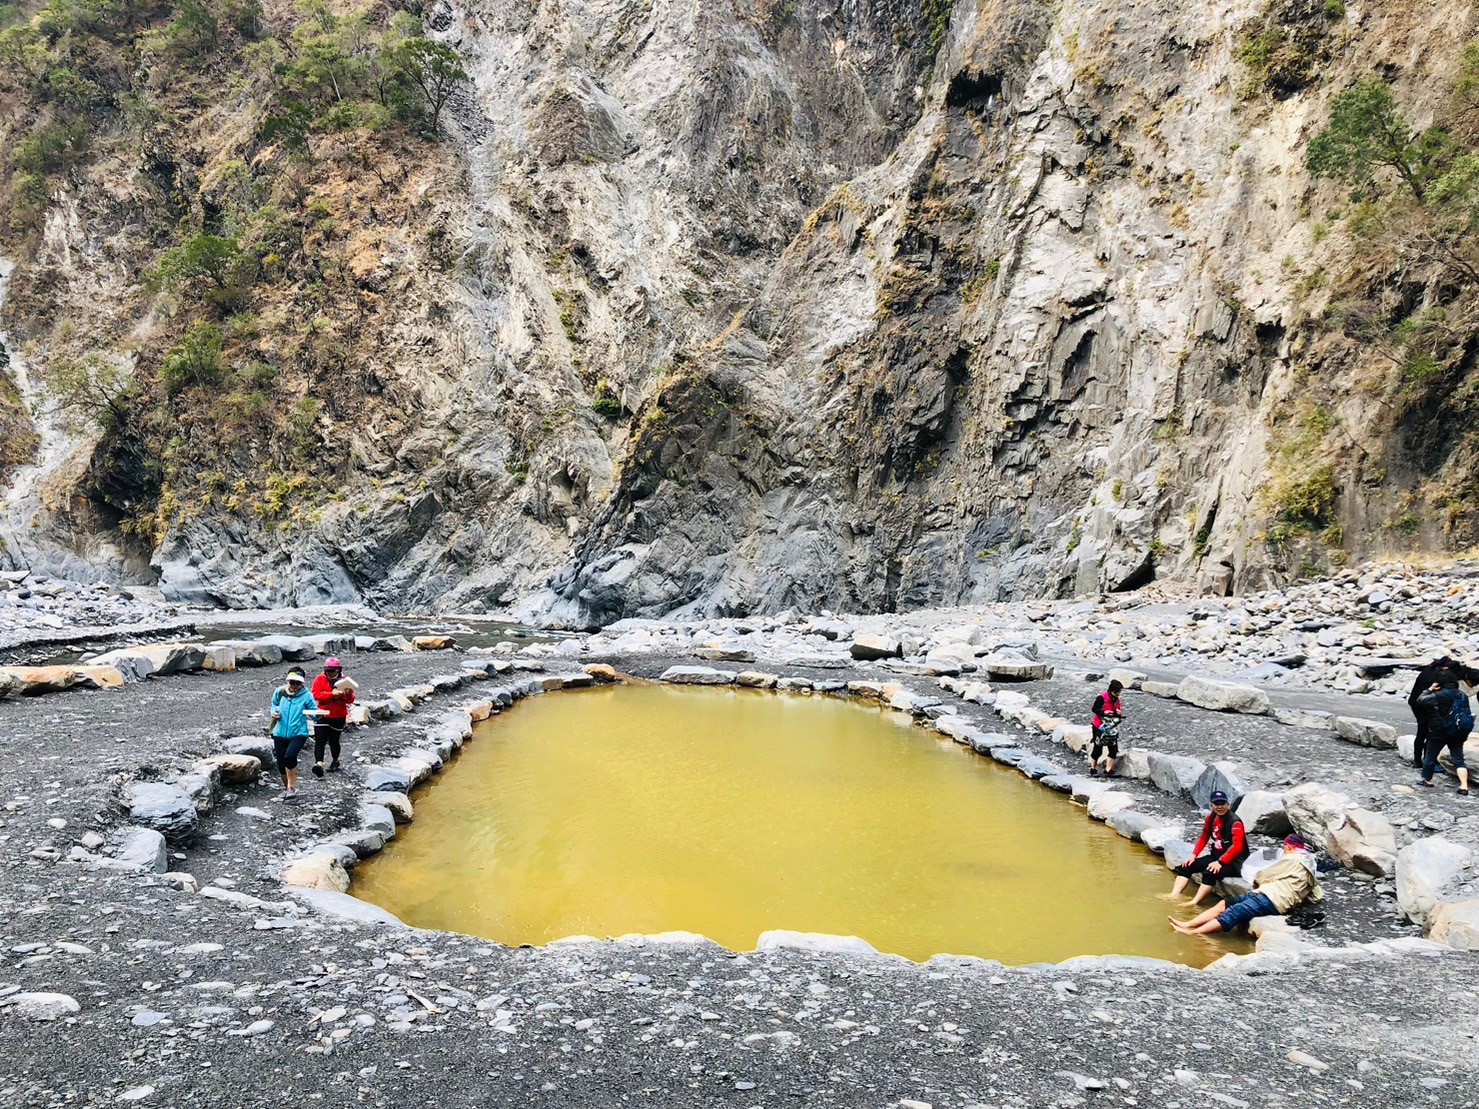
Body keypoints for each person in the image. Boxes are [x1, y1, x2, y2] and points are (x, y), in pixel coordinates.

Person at [1170, 834, 1323, 935]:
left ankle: (1192, 932)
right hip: (1267, 895)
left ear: (1289, 847)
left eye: (1284, 848)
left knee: (1234, 911)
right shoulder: (1309, 863)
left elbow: (1266, 874)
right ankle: (1188, 924)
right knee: (1224, 904)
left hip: (1272, 898)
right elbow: (1316, 895)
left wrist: (1256, 881)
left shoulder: (1292, 859)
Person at [1168, 790, 1248, 905]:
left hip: (1234, 862)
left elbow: (1237, 846)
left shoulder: (1235, 822)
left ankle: (1194, 902)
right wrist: (1194, 855)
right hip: (1216, 856)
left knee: (1209, 872)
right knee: (1186, 866)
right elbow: (1204, 837)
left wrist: (1220, 862)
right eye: (1217, 804)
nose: (1220, 807)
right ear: (1212, 805)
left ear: (1228, 805)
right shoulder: (1211, 818)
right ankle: (1174, 895)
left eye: (1223, 804)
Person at [1409, 657, 1479, 770]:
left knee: (1423, 732)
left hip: (1418, 702)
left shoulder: (1432, 670)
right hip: (1424, 704)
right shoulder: (1443, 675)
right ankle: (1428, 762)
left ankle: (1420, 761)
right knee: (1430, 733)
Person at [1416, 672, 1474, 796]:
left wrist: (1429, 689)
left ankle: (1427, 780)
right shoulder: (1463, 695)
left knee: (1431, 756)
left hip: (1440, 731)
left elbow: (1420, 700)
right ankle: (1464, 785)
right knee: (1458, 759)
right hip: (1458, 731)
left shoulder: (1438, 695)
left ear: (1440, 684)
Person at [269, 668, 318, 801]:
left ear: (302, 683)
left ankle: (291, 787)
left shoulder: (306, 695)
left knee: (290, 757)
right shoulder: (280, 692)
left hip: (298, 732)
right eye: (292, 682)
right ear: (288, 681)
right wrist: (274, 712)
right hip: (279, 732)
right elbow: (274, 705)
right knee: (280, 763)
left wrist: (318, 716)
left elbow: (314, 712)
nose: (294, 685)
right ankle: (287, 788)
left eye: (297, 683)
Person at [310, 656, 356, 777]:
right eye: (327, 670)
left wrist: (346, 695)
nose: (329, 673)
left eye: (332, 671)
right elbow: (315, 694)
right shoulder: (320, 678)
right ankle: (319, 764)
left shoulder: (345, 681)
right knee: (320, 740)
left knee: (334, 741)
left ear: (338, 670)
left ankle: (335, 760)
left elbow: (350, 700)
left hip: (338, 716)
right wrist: (331, 694)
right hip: (322, 714)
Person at [1089, 679, 1124, 778]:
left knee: (1113, 748)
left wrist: (1118, 713)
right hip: (1099, 726)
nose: (1118, 694)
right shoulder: (1101, 698)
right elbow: (1094, 709)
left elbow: (1118, 712)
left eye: (1119, 692)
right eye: (1117, 692)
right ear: (1111, 691)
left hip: (1111, 727)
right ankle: (1093, 769)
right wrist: (1104, 712)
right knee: (1098, 748)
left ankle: (1109, 770)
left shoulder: (1117, 700)